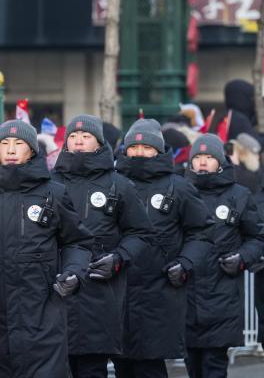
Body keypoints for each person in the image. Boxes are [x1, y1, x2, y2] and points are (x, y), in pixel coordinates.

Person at [0, 119, 94, 377]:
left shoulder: (54, 193)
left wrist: (73, 272)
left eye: (19, 143)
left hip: (43, 315)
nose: (12, 149)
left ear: (32, 150)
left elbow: (78, 242)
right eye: (5, 144)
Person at [51, 115, 153, 378]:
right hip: (57, 287)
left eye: (86, 136)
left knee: (92, 367)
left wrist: (118, 259)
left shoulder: (118, 185)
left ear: (98, 142)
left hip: (99, 288)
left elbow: (140, 232)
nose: (79, 141)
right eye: (73, 136)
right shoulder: (50, 184)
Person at [114, 119, 213, 378]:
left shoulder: (179, 188)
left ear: (158, 150)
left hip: (159, 291)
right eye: (133, 147)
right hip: (117, 288)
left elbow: (202, 232)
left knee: (150, 365)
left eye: (146, 147)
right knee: (122, 365)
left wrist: (185, 262)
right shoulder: (113, 185)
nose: (139, 153)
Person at [184, 134, 264, 378]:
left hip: (223, 295)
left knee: (214, 365)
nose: (203, 162)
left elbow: (257, 237)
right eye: (198, 157)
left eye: (209, 157)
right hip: (186, 296)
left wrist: (242, 258)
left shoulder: (239, 195)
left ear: (220, 161)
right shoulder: (179, 192)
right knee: (193, 366)